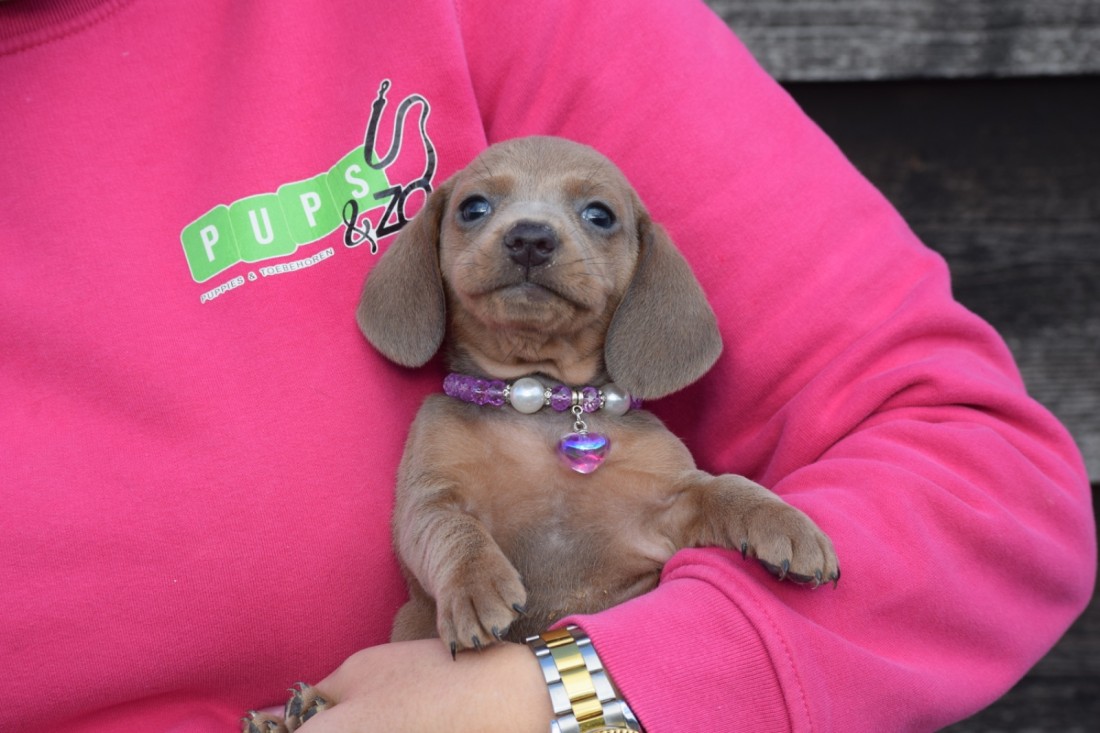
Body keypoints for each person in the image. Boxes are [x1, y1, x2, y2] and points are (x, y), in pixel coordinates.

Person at [1, 1, 1094, 731]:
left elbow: (984, 480)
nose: (528, 235)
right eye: (479, 211)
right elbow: (436, 516)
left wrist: (571, 698)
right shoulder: (446, 429)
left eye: (587, 219)